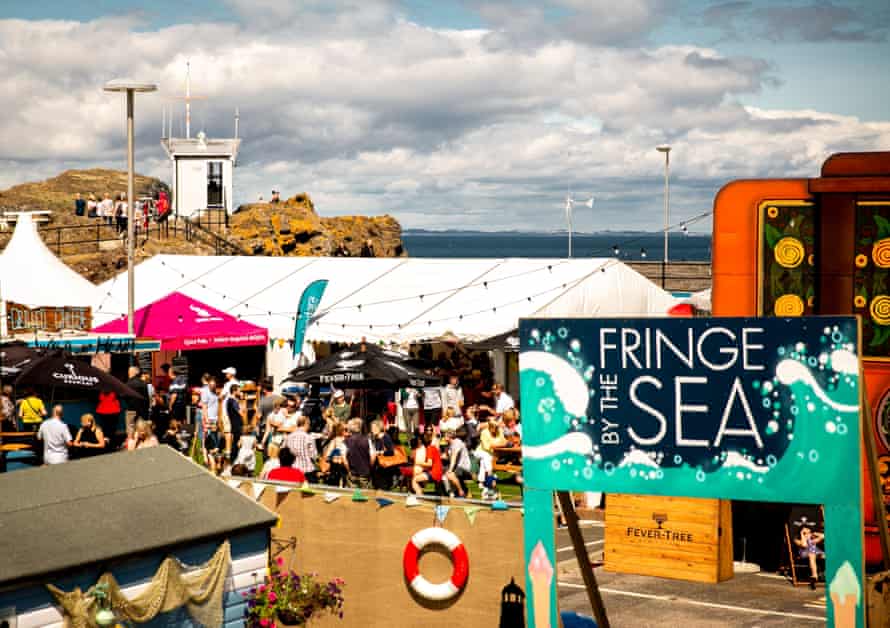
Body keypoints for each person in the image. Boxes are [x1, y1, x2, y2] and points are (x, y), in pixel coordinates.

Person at [475, 419, 507, 500]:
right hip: (480, 451)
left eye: (496, 427)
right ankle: (490, 475)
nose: (496, 429)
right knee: (486, 457)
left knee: (484, 462)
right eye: (494, 427)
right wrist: (499, 445)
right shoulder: (484, 432)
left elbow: (504, 442)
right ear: (490, 427)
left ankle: (482, 482)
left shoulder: (500, 431)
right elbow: (486, 447)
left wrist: (496, 445)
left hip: (493, 454)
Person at [286, 415, 318, 482]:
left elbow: (285, 453)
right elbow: (313, 456)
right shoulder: (309, 437)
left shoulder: (289, 437)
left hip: (294, 469)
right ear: (306, 424)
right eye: (309, 424)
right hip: (308, 470)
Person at [344, 418, 374, 488]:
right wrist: (369, 467)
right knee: (366, 495)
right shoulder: (368, 440)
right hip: (365, 472)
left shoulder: (345, 442)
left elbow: (344, 460)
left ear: (350, 428)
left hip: (353, 473)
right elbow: (373, 457)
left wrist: (349, 470)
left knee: (351, 495)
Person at [411, 430, 443, 495]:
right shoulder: (433, 447)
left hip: (435, 473)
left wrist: (418, 463)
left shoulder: (429, 448)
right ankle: (421, 493)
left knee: (414, 480)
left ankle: (420, 496)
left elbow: (429, 464)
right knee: (419, 477)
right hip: (438, 471)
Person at [443, 429, 472, 498]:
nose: (444, 437)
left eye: (445, 436)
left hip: (463, 466)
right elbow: (446, 456)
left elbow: (454, 457)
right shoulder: (449, 445)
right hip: (456, 466)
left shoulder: (457, 443)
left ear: (449, 436)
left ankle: (461, 491)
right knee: (444, 474)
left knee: (450, 475)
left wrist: (450, 469)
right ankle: (452, 492)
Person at [322, 422, 349, 487]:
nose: (348, 431)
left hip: (336, 467)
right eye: (346, 429)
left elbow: (327, 456)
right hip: (343, 467)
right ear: (341, 431)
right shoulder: (347, 440)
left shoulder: (334, 440)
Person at [223, 383, 245, 460]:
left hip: (234, 424)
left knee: (236, 444)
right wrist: (242, 400)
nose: (240, 392)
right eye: (239, 391)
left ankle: (233, 459)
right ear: (234, 391)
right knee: (237, 444)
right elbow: (242, 413)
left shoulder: (230, 400)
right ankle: (233, 459)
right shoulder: (233, 401)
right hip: (236, 425)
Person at [125, 366, 150, 431]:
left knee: (131, 429)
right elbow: (146, 398)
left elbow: (124, 396)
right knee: (142, 429)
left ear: (133, 373)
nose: (128, 374)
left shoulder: (128, 384)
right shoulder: (143, 383)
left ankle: (132, 440)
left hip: (131, 409)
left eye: (129, 372)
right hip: (143, 410)